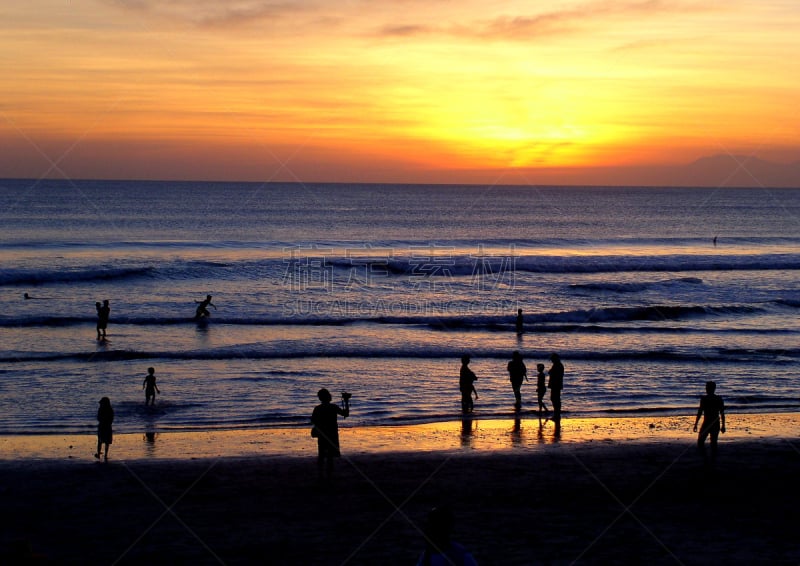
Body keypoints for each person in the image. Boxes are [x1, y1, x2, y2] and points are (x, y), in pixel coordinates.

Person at [310, 388, 350, 483]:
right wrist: (346, 402)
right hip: (332, 434)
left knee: (321, 455)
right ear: (328, 396)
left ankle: (321, 476)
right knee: (330, 457)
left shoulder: (317, 408)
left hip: (322, 435)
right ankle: (329, 477)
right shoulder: (333, 407)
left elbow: (313, 421)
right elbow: (346, 414)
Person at [693, 380, 726, 464]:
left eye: (707, 387)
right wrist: (723, 425)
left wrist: (696, 424)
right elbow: (700, 412)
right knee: (710, 442)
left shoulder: (707, 399)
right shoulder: (717, 398)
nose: (706, 389)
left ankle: (709, 459)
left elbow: (700, 412)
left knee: (705, 442)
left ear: (711, 389)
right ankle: (709, 459)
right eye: (706, 387)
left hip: (710, 423)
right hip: (712, 423)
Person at [95, 397, 114, 461]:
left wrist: (102, 421)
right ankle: (105, 454)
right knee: (107, 441)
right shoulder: (110, 409)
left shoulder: (101, 409)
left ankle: (98, 453)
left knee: (100, 440)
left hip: (102, 426)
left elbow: (98, 418)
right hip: (108, 426)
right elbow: (112, 418)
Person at [548, 353, 564, 424]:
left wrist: (551, 372)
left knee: (555, 399)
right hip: (557, 384)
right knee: (555, 399)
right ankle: (557, 414)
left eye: (552, 359)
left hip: (556, 384)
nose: (551, 360)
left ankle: (557, 415)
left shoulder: (558, 365)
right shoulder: (558, 365)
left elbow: (554, 373)